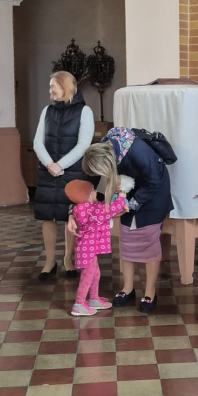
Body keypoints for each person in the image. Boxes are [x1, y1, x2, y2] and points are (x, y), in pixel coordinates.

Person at [80, 128, 172, 313]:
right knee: (128, 240)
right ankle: (128, 288)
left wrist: (132, 204)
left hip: (154, 192)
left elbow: (153, 181)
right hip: (128, 188)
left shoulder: (138, 151)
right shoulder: (103, 149)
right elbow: (91, 180)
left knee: (149, 240)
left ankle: (150, 291)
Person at [33, 71, 95, 280]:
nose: (50, 90)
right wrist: (49, 164)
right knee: (48, 217)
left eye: (53, 86)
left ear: (65, 86)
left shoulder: (84, 111)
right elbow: (37, 142)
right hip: (48, 171)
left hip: (72, 172)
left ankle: (68, 259)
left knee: (71, 216)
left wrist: (61, 165)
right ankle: (49, 261)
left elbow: (84, 144)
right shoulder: (47, 111)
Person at [66, 178, 128, 316]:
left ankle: (94, 299)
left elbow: (105, 208)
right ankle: (79, 304)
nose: (96, 192)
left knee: (95, 273)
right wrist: (122, 196)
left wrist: (115, 199)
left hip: (87, 248)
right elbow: (111, 209)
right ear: (88, 196)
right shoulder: (93, 211)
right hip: (89, 249)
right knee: (87, 276)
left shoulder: (83, 208)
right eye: (93, 191)